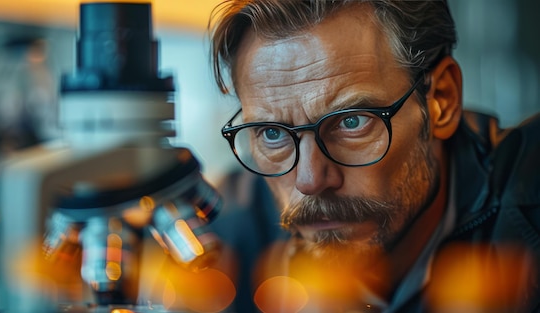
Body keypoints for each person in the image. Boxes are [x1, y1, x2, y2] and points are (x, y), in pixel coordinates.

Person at [208, 0, 540, 312]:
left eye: (351, 121)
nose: (309, 181)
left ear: (442, 100)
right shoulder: (226, 237)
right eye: (272, 133)